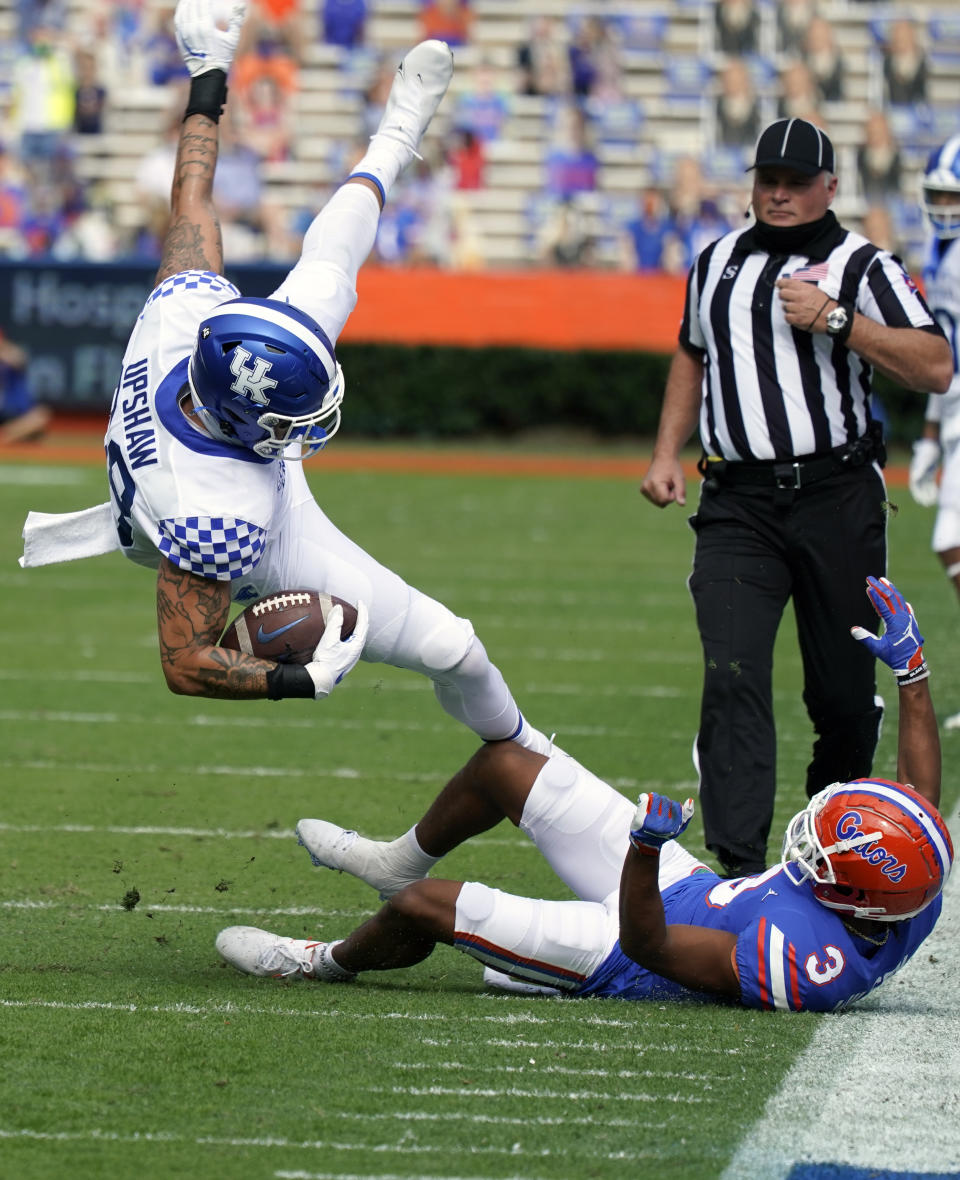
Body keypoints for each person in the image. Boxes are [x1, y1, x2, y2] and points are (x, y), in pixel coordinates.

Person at [19, 0, 553, 759]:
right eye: (291, 423)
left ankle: (397, 132)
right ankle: (531, 754)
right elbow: (183, 662)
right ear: (253, 422)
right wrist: (295, 681)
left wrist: (209, 72)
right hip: (250, 518)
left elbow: (190, 198)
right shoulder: (217, 520)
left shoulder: (186, 312)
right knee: (453, 647)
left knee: (329, 263)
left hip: (217, 447)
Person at [217, 577, 954, 1014]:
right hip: (685, 888)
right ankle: (394, 859)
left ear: (852, 899)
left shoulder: (808, 963)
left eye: (819, 856)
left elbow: (650, 943)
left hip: (623, 955)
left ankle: (320, 962)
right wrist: (913, 672)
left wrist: (643, 849)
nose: (805, 847)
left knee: (425, 911)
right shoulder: (910, 885)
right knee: (506, 763)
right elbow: (920, 796)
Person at [640, 117, 952, 878]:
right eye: (767, 181)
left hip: (835, 496)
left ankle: (830, 854)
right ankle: (738, 867)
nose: (778, 195)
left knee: (844, 698)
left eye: (795, 183)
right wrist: (664, 451)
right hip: (736, 501)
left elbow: (937, 365)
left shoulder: (864, 264)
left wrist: (840, 321)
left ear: (830, 188)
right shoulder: (713, 261)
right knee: (732, 673)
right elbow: (692, 350)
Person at [909, 137, 960, 730]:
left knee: (951, 536)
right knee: (950, 539)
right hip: (952, 412)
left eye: (954, 193)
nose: (944, 204)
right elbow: (937, 355)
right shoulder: (938, 250)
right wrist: (928, 434)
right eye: (938, 193)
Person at [0, 330, 51, 442]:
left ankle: (8, 434)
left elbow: (19, 358)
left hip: (11, 412)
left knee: (40, 416)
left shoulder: (9, 354)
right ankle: (11, 435)